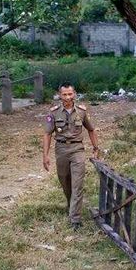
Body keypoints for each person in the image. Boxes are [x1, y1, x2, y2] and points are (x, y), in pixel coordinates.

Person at [43, 82, 100, 229]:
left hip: (77, 149)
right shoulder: (53, 112)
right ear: (59, 95)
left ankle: (75, 218)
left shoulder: (81, 111)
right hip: (61, 149)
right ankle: (71, 205)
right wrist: (45, 155)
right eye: (64, 94)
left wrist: (95, 147)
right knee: (65, 181)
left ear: (74, 94)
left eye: (70, 94)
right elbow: (48, 134)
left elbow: (91, 130)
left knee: (77, 184)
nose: (67, 97)